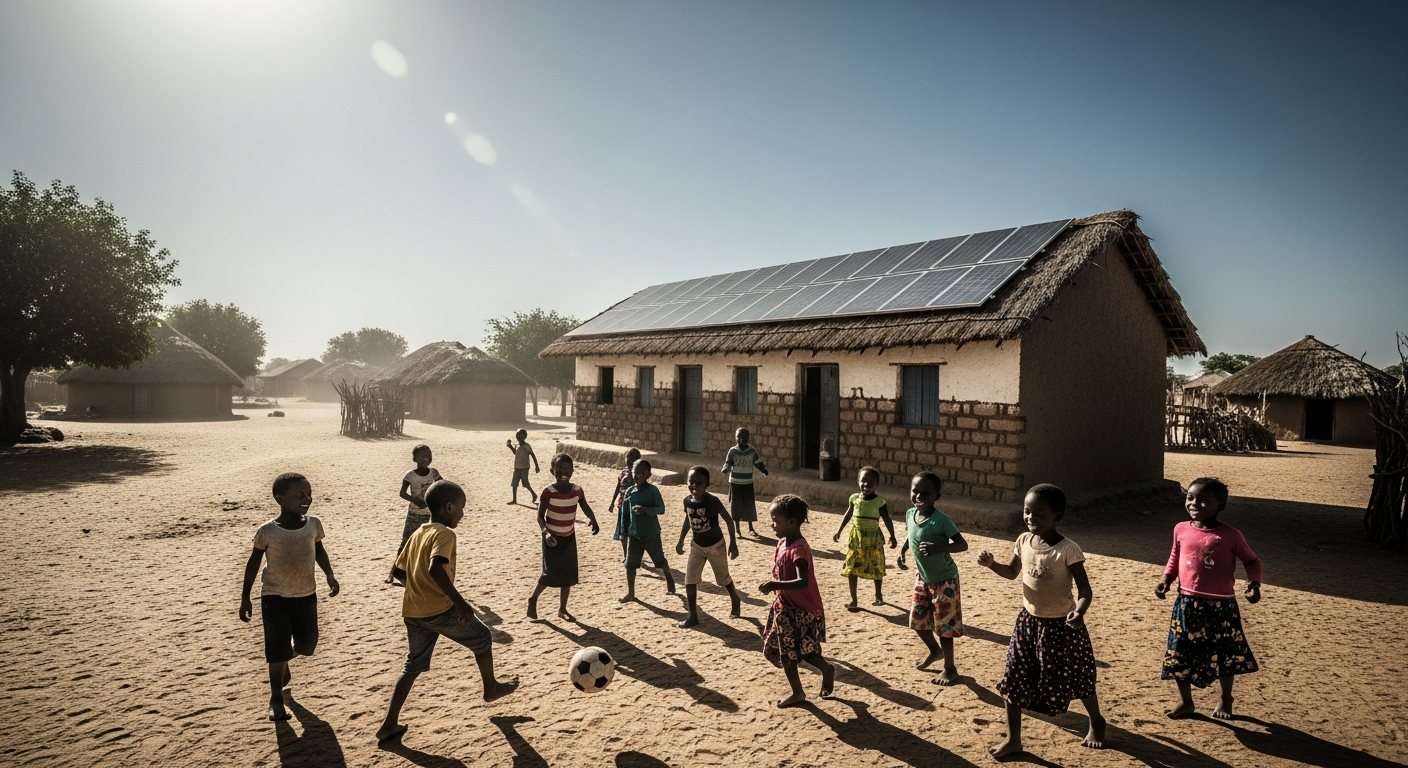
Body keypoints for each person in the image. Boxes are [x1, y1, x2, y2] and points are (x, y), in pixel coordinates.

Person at [377, 480, 519, 743]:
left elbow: (397, 571)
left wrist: (417, 589)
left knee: (412, 665)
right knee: (483, 638)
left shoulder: (418, 533)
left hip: (413, 611)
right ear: (449, 506)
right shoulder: (445, 534)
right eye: (461, 508)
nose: (463, 514)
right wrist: (460, 602)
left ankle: (389, 724)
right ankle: (491, 688)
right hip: (439, 609)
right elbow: (435, 568)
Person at [977, 484, 1106, 758]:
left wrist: (1080, 612)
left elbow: (1085, 590)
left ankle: (1096, 720)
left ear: (1057, 517)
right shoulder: (1023, 541)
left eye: (1040, 513)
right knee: (1013, 678)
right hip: (1027, 623)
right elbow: (1012, 572)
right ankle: (1014, 740)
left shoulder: (1068, 550)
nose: (1031, 517)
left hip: (1062, 626)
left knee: (1078, 678)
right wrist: (991, 565)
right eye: (1027, 511)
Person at [1156, 477, 1263, 720]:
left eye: (1203, 501)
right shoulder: (1180, 529)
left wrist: (1254, 584)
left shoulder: (1231, 535)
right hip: (1186, 604)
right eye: (1190, 498)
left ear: (1220, 506)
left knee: (1224, 654)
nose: (1194, 504)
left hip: (1221, 606)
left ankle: (1226, 697)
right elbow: (1175, 557)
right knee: (1179, 652)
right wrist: (1165, 580)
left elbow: (1252, 561)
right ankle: (1186, 702)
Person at [239, 472, 340, 721]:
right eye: (299, 495)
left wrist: (329, 574)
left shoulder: (314, 524)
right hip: (274, 597)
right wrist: (245, 597)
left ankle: (283, 661)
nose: (306, 499)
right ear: (279, 498)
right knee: (276, 649)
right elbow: (253, 563)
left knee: (308, 645)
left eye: (308, 494)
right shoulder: (267, 531)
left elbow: (319, 550)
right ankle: (276, 699)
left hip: (306, 595)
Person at [760, 494, 835, 708]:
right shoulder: (782, 543)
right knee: (788, 653)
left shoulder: (799, 550)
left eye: (776, 520)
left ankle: (819, 675)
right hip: (785, 608)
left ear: (792, 522)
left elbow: (802, 582)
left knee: (804, 651)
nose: (772, 524)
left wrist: (775, 585)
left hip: (803, 610)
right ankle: (799, 691)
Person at [905, 471, 969, 685]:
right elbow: (912, 535)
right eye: (915, 491)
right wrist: (905, 548)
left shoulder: (942, 521)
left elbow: (962, 545)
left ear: (936, 496)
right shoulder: (910, 514)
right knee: (918, 621)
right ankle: (935, 651)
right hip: (923, 578)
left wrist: (938, 548)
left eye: (926, 493)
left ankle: (950, 669)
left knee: (945, 627)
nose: (919, 496)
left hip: (945, 580)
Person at [528, 454, 600, 622]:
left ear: (573, 470)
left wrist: (593, 519)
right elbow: (540, 517)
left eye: (567, 468)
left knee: (568, 575)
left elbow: (584, 506)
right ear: (552, 471)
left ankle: (562, 609)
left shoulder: (577, 490)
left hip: (569, 536)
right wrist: (545, 533)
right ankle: (533, 598)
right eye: (559, 468)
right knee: (550, 573)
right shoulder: (548, 492)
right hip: (551, 538)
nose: (564, 472)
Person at [674, 466, 742, 628]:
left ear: (707, 484)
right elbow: (688, 519)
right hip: (697, 546)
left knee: (723, 578)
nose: (694, 486)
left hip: (716, 546)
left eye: (699, 483)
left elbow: (728, 520)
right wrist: (681, 540)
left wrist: (733, 543)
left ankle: (735, 598)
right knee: (689, 580)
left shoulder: (712, 501)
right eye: (691, 482)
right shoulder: (687, 501)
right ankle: (693, 616)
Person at [832, 466, 897, 610]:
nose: (866, 485)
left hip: (873, 540)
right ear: (858, 481)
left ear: (877, 485)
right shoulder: (854, 499)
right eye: (863, 481)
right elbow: (848, 514)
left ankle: (878, 596)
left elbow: (887, 520)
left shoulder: (880, 502)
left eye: (871, 483)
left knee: (877, 567)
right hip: (856, 539)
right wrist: (839, 530)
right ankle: (854, 600)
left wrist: (892, 536)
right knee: (851, 568)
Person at [619, 459, 676, 603]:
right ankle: (631, 593)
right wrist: (623, 530)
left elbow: (661, 509)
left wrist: (646, 510)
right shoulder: (630, 492)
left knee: (659, 561)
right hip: (634, 535)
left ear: (648, 474)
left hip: (651, 534)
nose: (636, 475)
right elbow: (624, 513)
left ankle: (669, 577)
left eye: (640, 472)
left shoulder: (653, 491)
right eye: (634, 472)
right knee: (630, 565)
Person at [388, 444, 443, 584]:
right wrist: (415, 500)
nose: (425, 458)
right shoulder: (410, 475)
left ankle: (423, 575)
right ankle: (394, 572)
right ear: (414, 458)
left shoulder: (434, 473)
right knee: (406, 542)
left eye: (427, 456)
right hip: (414, 514)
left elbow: (442, 486)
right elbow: (402, 493)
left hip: (430, 515)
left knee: (427, 545)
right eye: (421, 456)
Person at [722, 428, 769, 537]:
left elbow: (757, 462)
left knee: (749, 504)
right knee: (736, 504)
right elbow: (728, 462)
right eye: (738, 437)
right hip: (735, 482)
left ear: (747, 439)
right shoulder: (732, 451)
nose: (741, 440)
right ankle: (737, 528)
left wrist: (763, 469)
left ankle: (750, 527)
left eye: (743, 437)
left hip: (747, 482)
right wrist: (725, 469)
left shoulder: (752, 451)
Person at [608, 448, 643, 562]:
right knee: (623, 532)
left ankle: (635, 554)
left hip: (634, 507)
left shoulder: (639, 475)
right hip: (622, 506)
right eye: (628, 457)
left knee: (634, 533)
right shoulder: (623, 472)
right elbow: (618, 487)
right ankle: (626, 555)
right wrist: (612, 502)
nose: (630, 461)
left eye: (634, 459)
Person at [505, 429, 539, 505]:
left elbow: (533, 455)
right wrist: (510, 446)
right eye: (517, 436)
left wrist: (537, 466)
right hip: (517, 467)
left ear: (524, 437)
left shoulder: (527, 446)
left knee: (525, 483)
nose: (518, 437)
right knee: (514, 484)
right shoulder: (517, 445)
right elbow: (515, 452)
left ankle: (534, 494)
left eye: (520, 436)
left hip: (524, 467)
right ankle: (514, 500)